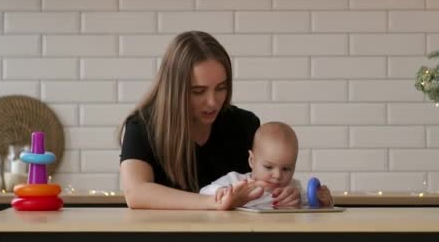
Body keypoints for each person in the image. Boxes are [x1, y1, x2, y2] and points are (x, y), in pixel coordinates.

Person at [119, 31, 302, 210]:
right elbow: (136, 193)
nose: (213, 102)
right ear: (175, 90)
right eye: (198, 91)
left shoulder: (244, 124)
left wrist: (289, 195)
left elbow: (264, 189)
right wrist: (214, 203)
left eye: (221, 88)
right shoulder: (142, 126)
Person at [200, 121, 334, 208]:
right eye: (269, 167)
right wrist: (222, 192)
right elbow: (203, 192)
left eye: (286, 169)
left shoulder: (293, 188)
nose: (277, 175)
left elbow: (312, 211)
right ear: (252, 160)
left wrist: (323, 202)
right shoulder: (237, 181)